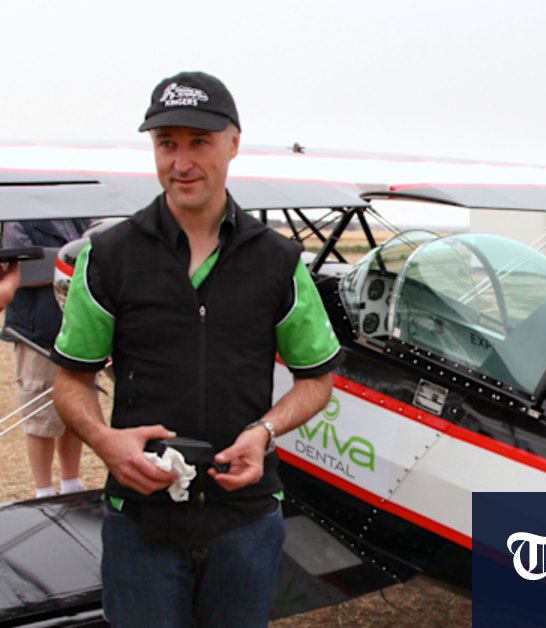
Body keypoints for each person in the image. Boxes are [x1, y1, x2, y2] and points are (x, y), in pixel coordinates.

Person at [52, 71, 341, 628]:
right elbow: (72, 379)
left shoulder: (278, 261)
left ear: (233, 143)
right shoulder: (109, 256)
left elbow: (316, 380)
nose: (181, 163)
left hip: (246, 522)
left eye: (198, 143)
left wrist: (264, 432)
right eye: (167, 145)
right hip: (139, 523)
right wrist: (105, 441)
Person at [3, 219, 91, 498]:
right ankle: (43, 489)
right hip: (37, 332)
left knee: (77, 412)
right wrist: (70, 264)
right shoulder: (18, 222)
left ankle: (71, 483)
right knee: (40, 417)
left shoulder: (80, 217)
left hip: (79, 330)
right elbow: (22, 269)